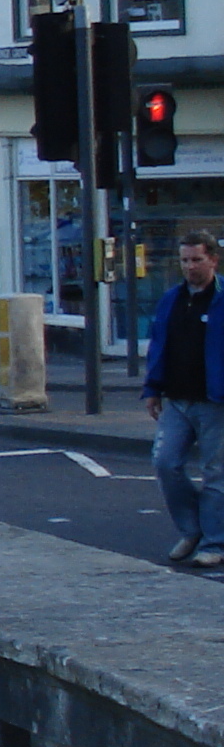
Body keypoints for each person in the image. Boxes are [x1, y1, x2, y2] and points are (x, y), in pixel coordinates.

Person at [144, 231, 224, 568]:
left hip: (214, 401)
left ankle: (214, 542)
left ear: (213, 260)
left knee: (215, 473)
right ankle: (192, 529)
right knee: (165, 462)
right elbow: (159, 345)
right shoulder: (171, 299)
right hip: (176, 398)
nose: (189, 267)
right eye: (184, 260)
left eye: (196, 260)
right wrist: (152, 388)